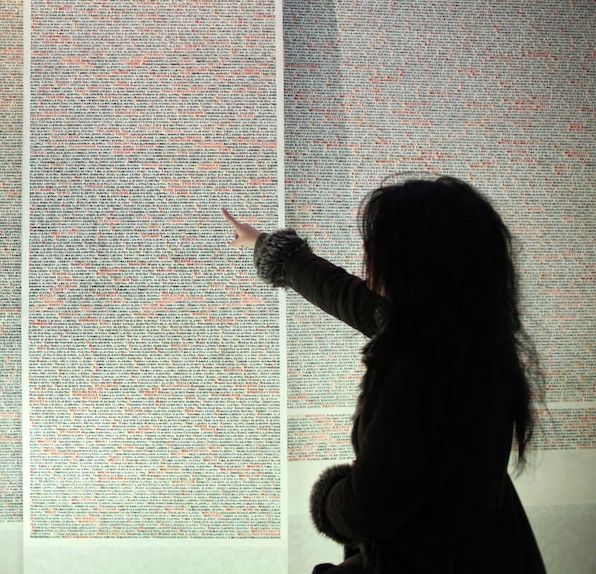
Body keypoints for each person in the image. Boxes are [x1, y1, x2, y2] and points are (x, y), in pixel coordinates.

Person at [223, 175, 546, 573]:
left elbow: (369, 509)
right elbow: (350, 298)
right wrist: (271, 250)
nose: (367, 255)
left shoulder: (425, 369)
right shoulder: (464, 333)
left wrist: (329, 498)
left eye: (379, 244)